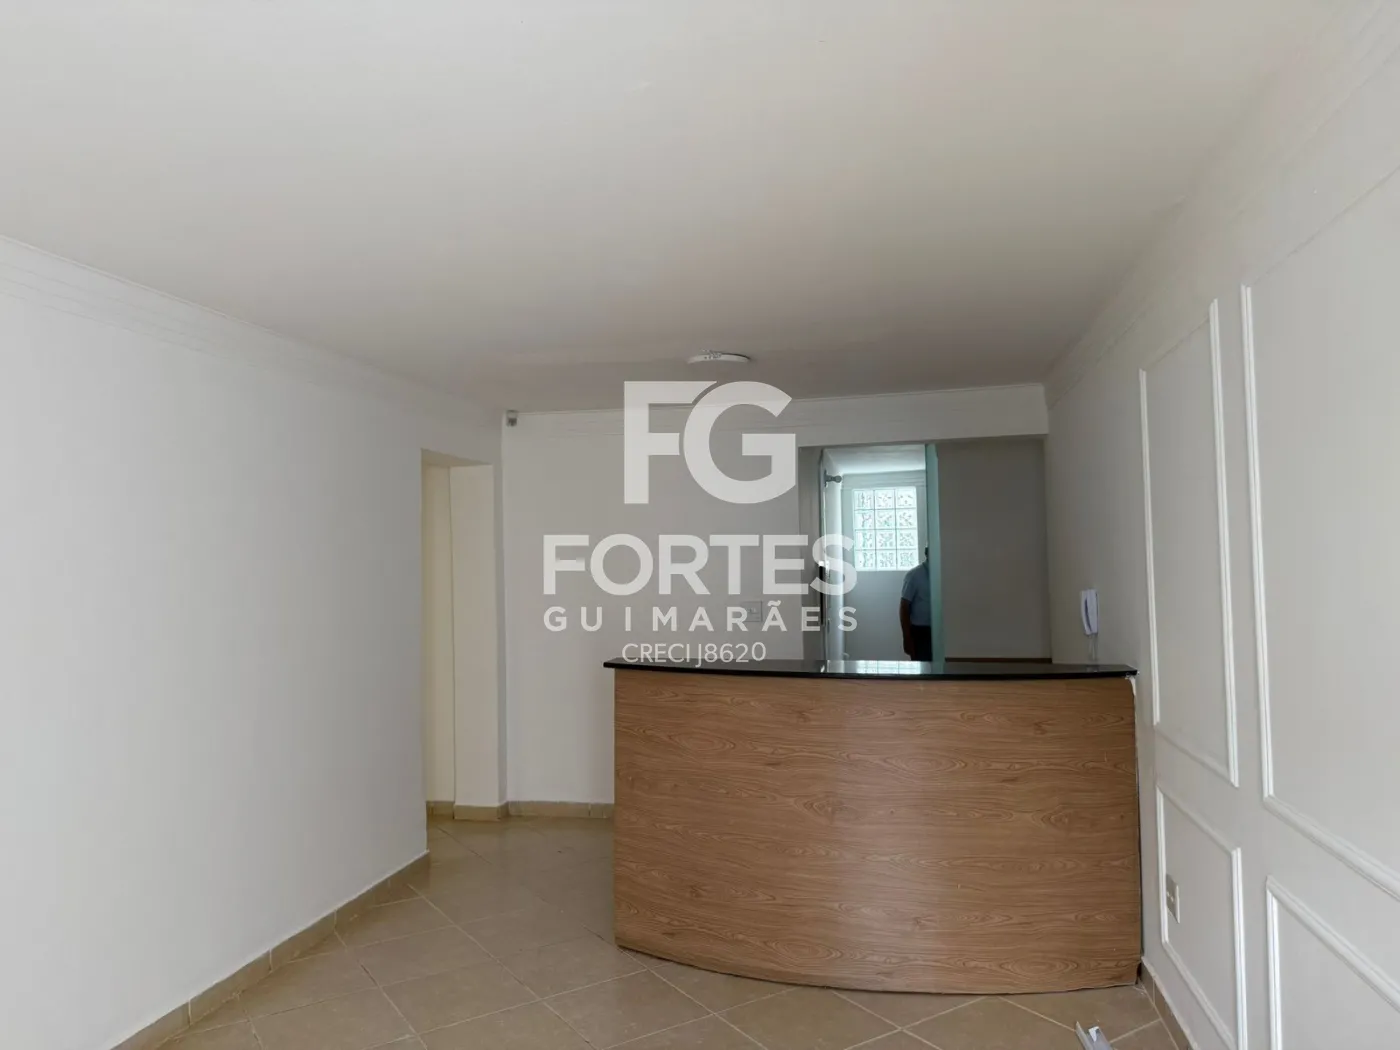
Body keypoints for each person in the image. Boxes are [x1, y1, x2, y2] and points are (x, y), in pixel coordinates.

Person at [900, 548, 932, 660]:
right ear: (926, 553)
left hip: (940, 631)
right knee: (923, 667)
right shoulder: (914, 575)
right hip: (920, 633)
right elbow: (904, 607)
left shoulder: (944, 572)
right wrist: (907, 637)